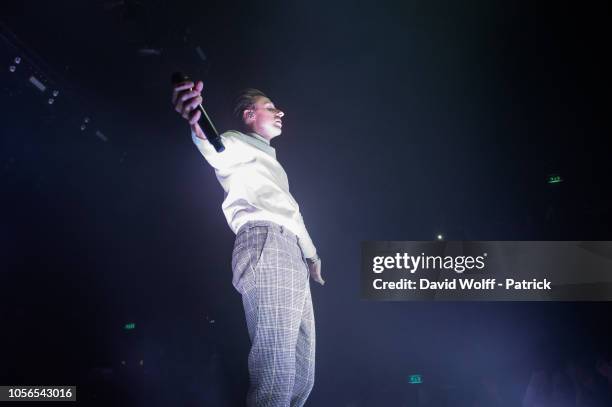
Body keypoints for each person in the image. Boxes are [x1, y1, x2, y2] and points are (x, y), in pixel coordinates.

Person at [172, 80, 324, 407]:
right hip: (266, 243)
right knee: (276, 370)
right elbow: (215, 148)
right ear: (249, 114)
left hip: (290, 252)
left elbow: (290, 210)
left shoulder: (269, 159)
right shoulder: (238, 143)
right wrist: (196, 119)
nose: (280, 111)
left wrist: (311, 255)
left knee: (301, 373)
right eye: (271, 107)